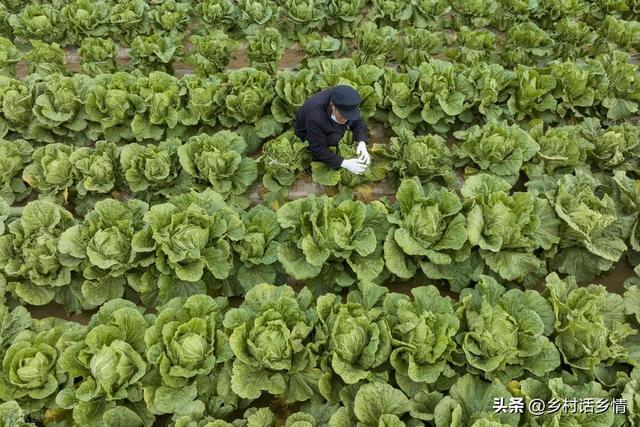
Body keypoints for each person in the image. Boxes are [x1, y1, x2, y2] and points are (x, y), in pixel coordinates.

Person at [294, 85, 371, 175]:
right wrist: (343, 163)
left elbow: (358, 122)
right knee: (334, 138)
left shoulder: (346, 101)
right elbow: (318, 149)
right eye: (342, 115)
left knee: (343, 130)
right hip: (307, 131)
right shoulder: (315, 115)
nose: (345, 120)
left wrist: (362, 142)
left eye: (349, 116)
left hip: (326, 120)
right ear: (332, 105)